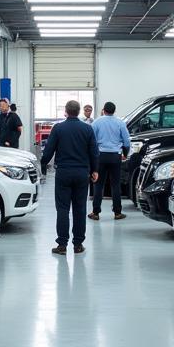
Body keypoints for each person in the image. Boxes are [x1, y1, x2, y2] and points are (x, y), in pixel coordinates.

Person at [40, 100, 99, 255]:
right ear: (79, 111)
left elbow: (48, 150)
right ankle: (78, 245)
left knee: (63, 209)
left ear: (66, 111)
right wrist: (95, 170)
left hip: (63, 174)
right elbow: (94, 152)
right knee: (80, 209)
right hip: (81, 174)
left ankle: (62, 245)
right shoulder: (87, 129)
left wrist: (43, 165)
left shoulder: (58, 128)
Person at [89, 101, 131, 221]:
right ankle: (117, 213)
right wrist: (125, 153)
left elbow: (91, 141)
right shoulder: (120, 123)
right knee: (115, 185)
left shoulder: (96, 122)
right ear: (114, 111)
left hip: (100, 156)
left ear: (104, 110)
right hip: (115, 156)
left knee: (98, 184)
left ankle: (95, 212)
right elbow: (126, 142)